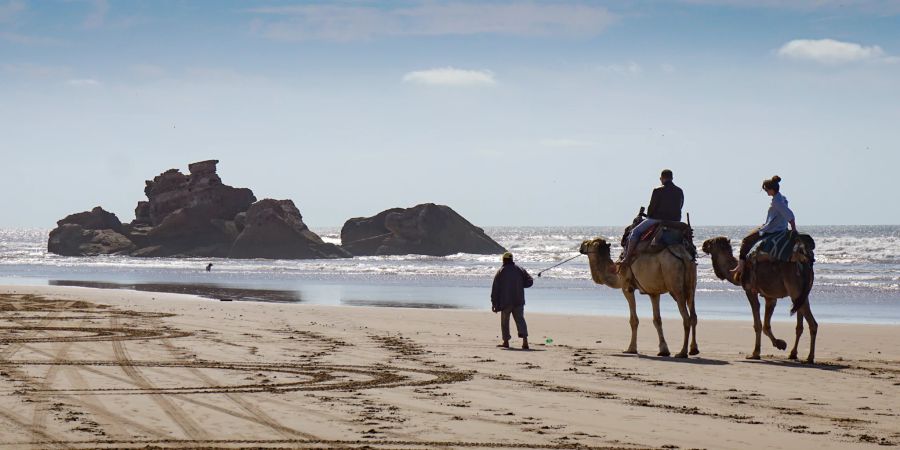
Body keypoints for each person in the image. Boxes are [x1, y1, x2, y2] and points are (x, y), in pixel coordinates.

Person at [732, 175, 797, 279]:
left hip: (774, 229)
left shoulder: (777, 202)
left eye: (767, 190)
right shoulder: (781, 198)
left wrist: (794, 229)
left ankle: (740, 266)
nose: (766, 192)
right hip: (777, 227)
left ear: (772, 189)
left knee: (746, 240)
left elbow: (789, 215)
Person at [619, 169, 684, 270]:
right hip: (675, 222)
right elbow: (680, 206)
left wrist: (649, 216)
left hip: (657, 220)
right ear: (672, 178)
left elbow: (651, 208)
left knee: (634, 232)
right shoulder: (679, 191)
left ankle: (627, 258)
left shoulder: (658, 190)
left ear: (661, 178)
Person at [491, 252, 533, 349]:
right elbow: (530, 282)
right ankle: (525, 341)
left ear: (504, 260)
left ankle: (506, 341)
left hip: (506, 302)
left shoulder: (501, 271)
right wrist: (521, 284)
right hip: (519, 300)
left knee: (505, 321)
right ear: (512, 259)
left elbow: (495, 289)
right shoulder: (520, 269)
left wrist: (494, 303)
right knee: (520, 320)